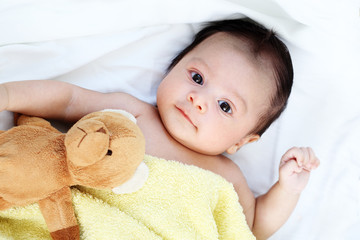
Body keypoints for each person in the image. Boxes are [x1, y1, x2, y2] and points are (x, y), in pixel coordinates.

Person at [0, 18, 319, 239]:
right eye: (197, 78)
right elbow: (68, 100)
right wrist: (9, 94)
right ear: (173, 68)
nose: (199, 101)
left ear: (241, 141)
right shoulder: (132, 113)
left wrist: (287, 189)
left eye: (225, 106)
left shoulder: (228, 176)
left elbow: (253, 227)